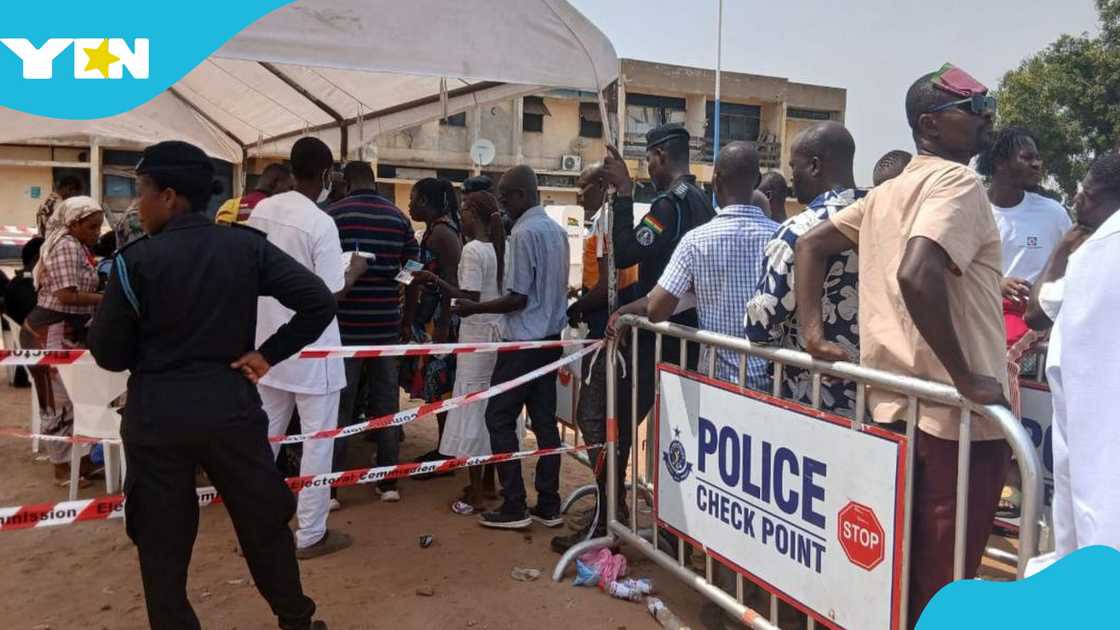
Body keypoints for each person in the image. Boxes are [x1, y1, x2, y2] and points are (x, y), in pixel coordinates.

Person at [794, 64, 1007, 627]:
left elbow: (811, 245)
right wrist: (965, 375)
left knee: (896, 574)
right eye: (974, 110)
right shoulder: (957, 183)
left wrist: (814, 334)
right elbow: (918, 272)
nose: (987, 119)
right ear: (930, 124)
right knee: (943, 584)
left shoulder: (886, 192)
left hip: (893, 409)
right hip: (954, 419)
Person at [88, 140, 332, 630]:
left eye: (143, 192)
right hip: (229, 406)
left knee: (162, 541)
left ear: (170, 195)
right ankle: (296, 621)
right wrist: (267, 355)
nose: (139, 204)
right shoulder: (244, 247)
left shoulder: (136, 261)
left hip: (158, 413)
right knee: (263, 524)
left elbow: (108, 353)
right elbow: (318, 301)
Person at [248, 137, 364, 558]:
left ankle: (257, 530)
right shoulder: (320, 224)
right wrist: (355, 271)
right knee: (318, 442)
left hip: (268, 348)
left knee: (263, 440)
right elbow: (330, 295)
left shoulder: (261, 211)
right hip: (312, 350)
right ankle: (311, 534)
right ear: (328, 173)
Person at [599, 124, 714, 524]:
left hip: (657, 334)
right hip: (688, 336)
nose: (647, 167)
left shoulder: (670, 206)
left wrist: (625, 196)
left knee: (615, 424)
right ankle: (671, 524)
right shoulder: (703, 201)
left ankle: (609, 516)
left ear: (661, 155)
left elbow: (626, 254)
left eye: (648, 158)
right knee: (674, 434)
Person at [452, 165, 569, 530]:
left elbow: (516, 298)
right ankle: (549, 504)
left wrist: (476, 308)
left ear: (522, 194)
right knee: (546, 424)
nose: (501, 203)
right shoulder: (558, 232)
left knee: (498, 417)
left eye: (506, 196)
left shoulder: (523, 233)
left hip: (522, 343)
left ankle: (514, 504)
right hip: (550, 341)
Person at [611, 141, 777, 387]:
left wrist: (624, 194)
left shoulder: (696, 239)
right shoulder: (784, 237)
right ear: (757, 180)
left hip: (717, 379)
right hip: (772, 383)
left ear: (716, 179)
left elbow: (656, 308)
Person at [550, 164, 641, 552]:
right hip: (609, 334)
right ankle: (610, 504)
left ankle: (608, 513)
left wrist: (573, 310)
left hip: (609, 340)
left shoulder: (607, 221)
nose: (579, 194)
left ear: (603, 187)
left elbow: (608, 288)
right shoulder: (605, 222)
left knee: (594, 420)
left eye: (584, 186)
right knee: (603, 425)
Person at [745, 121, 865, 415]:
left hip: (811, 396)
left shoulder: (797, 230)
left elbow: (762, 323)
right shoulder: (884, 217)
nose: (790, 178)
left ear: (814, 166)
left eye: (793, 167)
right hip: (877, 396)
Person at [328, 161, 419, 504]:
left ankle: (333, 487)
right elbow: (414, 266)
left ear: (347, 182)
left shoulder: (334, 215)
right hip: (385, 324)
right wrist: (405, 313)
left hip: (343, 328)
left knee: (340, 408)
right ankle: (387, 483)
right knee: (386, 405)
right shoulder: (397, 218)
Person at [1044, 152, 1120, 557]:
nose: (1076, 202)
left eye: (1083, 194)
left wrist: (1060, 252)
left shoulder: (1096, 256)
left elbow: (1038, 309)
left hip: (1099, 474)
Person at [414, 190, 505, 514]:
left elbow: (468, 297)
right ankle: (490, 484)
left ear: (475, 215)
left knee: (472, 411)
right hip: (497, 337)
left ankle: (478, 492)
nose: (460, 216)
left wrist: (434, 279)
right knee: (491, 410)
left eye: (465, 210)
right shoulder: (500, 248)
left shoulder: (473, 251)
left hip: (476, 337)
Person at [23, 196, 104, 485]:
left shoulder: (77, 245)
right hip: (49, 334)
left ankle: (77, 464)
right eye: (92, 227)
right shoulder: (67, 245)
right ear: (74, 222)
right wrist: (107, 299)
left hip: (65, 331)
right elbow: (65, 295)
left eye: (98, 227)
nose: (97, 233)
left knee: (73, 401)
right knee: (57, 404)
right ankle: (61, 468)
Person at [976, 126, 1072, 347]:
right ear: (1000, 162)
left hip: (1037, 331)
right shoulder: (974, 209)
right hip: (983, 320)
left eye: (1038, 158)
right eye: (1027, 157)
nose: (1037, 164)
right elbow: (956, 270)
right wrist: (997, 284)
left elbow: (1073, 263)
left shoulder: (1053, 212)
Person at [403, 177, 463, 463]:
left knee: (442, 387)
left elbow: (453, 282)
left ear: (425, 202)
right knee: (438, 388)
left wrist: (441, 329)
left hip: (441, 323)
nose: (409, 204)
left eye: (413, 198)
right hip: (431, 321)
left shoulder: (442, 234)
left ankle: (446, 452)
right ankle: (445, 448)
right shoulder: (432, 231)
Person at [4, 237, 43, 387]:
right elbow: (33, 313)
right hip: (32, 342)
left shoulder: (18, 281)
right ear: (37, 258)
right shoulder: (26, 283)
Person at [215, 163, 294, 225]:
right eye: (289, 187)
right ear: (275, 183)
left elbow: (221, 233)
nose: (291, 192)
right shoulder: (281, 212)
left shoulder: (230, 205)